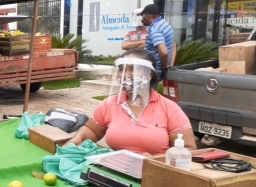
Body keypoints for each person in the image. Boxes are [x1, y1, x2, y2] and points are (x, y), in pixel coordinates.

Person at [67, 48, 196, 156]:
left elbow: (189, 149)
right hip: (116, 171)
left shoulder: (170, 109)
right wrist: (77, 139)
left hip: (156, 175)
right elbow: (92, 131)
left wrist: (156, 159)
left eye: (134, 69)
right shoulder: (110, 104)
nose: (126, 75)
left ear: (150, 75)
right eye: (122, 69)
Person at [137, 4, 174, 83]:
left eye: (143, 16)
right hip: (159, 68)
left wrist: (164, 67)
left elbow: (164, 53)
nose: (142, 18)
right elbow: (174, 45)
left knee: (146, 93)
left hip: (155, 68)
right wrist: (170, 64)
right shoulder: (165, 24)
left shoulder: (155, 29)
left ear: (147, 15)